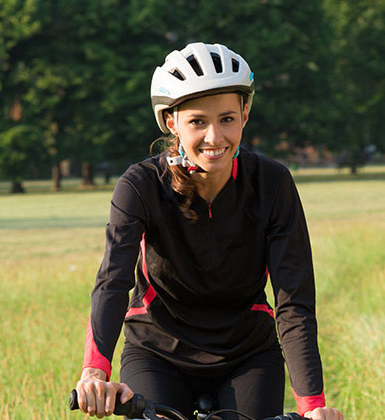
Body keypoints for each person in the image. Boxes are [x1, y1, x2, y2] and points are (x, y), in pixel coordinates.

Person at [75, 42, 343, 420]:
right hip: (157, 350)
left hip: (247, 353)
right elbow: (113, 281)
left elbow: (294, 301)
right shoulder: (140, 186)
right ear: (172, 122)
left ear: (245, 115)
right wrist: (94, 373)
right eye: (198, 121)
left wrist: (313, 407)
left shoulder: (273, 183)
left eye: (227, 119)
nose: (215, 137)